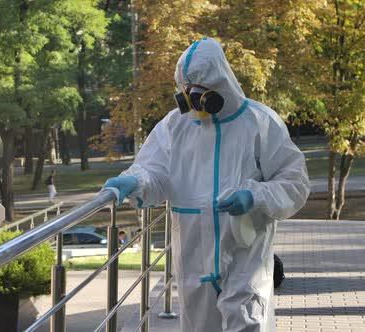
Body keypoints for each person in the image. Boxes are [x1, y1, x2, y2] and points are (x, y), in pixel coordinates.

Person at [101, 38, 310, 331]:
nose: (194, 101)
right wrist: (135, 181)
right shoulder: (176, 125)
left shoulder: (259, 122)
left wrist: (254, 195)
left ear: (222, 86)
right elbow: (155, 171)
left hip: (244, 249)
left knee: (248, 321)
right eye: (188, 92)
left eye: (201, 92)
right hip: (193, 255)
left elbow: (295, 182)